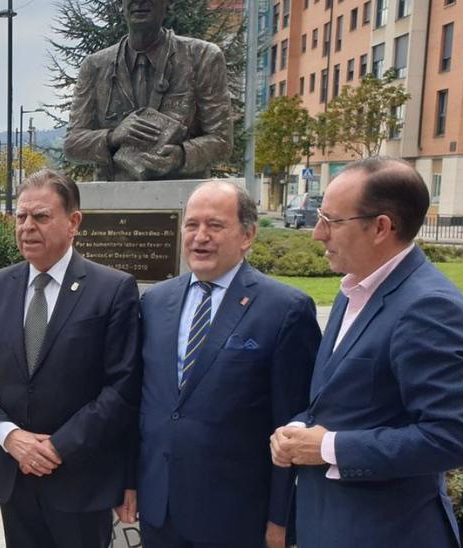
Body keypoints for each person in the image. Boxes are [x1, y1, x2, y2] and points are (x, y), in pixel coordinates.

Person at [269, 158, 463, 547]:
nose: (318, 234)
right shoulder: (353, 290)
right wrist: (300, 428)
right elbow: (338, 403)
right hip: (331, 524)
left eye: (331, 221)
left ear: (382, 227)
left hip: (389, 532)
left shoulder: (429, 307)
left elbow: (455, 437)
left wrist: (328, 447)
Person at [119, 181, 321, 548]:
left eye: (215, 226)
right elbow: (141, 401)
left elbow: (294, 421)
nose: (200, 237)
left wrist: (280, 518)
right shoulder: (155, 301)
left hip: (237, 517)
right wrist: (130, 480)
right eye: (192, 225)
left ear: (248, 235)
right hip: (159, 509)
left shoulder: (285, 310)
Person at [0, 169, 140, 548]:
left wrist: (57, 447)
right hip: (14, 478)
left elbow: (122, 387)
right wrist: (9, 436)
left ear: (74, 222)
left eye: (40, 217)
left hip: (79, 480)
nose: (26, 227)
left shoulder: (113, 289)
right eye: (21, 217)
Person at [63, 0, 232, 181]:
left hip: (182, 198)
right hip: (117, 199)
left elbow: (222, 141)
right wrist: (112, 137)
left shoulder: (202, 56)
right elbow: (72, 144)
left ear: (169, 3)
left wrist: (182, 156)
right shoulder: (95, 66)